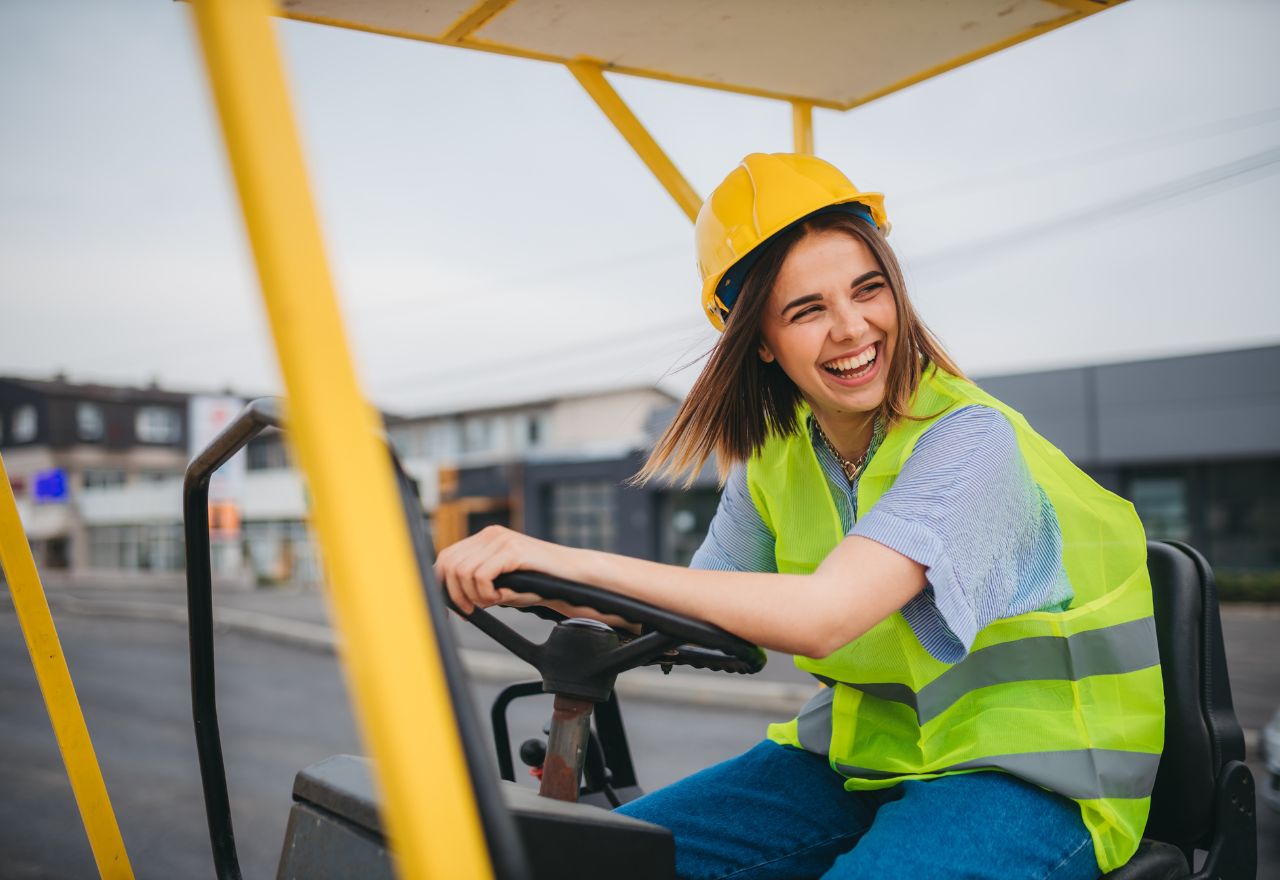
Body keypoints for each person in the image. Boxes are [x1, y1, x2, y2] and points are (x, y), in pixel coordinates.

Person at [436, 153, 1164, 879]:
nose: (852, 328)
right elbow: (688, 609)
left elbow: (826, 614)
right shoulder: (776, 459)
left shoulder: (969, 438)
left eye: (868, 290)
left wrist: (575, 559)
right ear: (761, 341)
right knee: (605, 861)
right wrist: (527, 578)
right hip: (861, 762)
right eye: (808, 310)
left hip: (1031, 771)